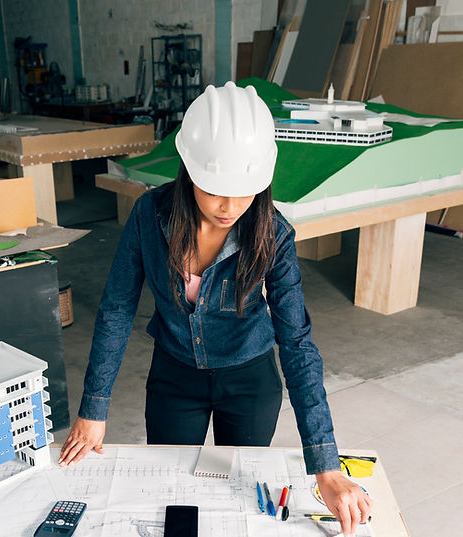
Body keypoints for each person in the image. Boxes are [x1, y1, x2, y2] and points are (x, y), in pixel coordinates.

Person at [58, 81, 371, 536]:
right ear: (190, 168)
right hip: (174, 378)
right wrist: (94, 408)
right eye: (216, 189)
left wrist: (325, 466)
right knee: (171, 494)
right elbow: (117, 309)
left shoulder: (274, 235)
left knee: (230, 495)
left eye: (245, 192)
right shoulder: (150, 216)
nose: (230, 207)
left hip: (249, 383)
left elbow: (297, 342)